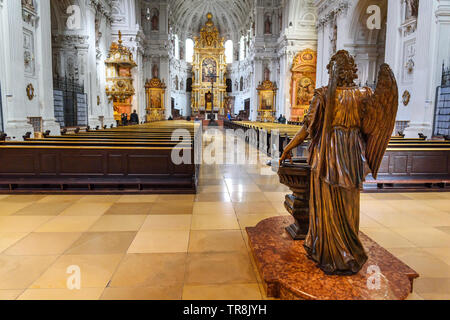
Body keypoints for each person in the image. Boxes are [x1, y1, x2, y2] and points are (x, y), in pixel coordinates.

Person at [279, 50, 398, 275]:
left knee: (326, 202)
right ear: (351, 71)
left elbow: (307, 128)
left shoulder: (323, 95)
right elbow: (369, 130)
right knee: (348, 202)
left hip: (328, 154)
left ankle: (327, 250)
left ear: (333, 71)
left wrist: (287, 148)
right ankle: (349, 250)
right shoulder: (365, 94)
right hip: (351, 154)